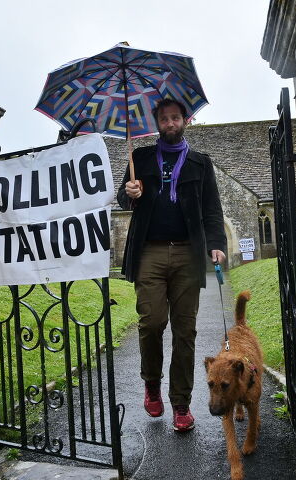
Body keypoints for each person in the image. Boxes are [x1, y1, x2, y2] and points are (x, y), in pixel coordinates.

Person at [117, 98, 227, 432]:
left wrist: (217, 245)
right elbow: (123, 200)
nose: (170, 123)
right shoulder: (141, 158)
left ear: (185, 121)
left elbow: (211, 208)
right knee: (151, 322)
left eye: (175, 118)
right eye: (164, 119)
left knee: (185, 331)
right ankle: (151, 383)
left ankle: (181, 404)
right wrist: (129, 192)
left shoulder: (200, 163)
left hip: (187, 255)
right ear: (157, 124)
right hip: (148, 252)